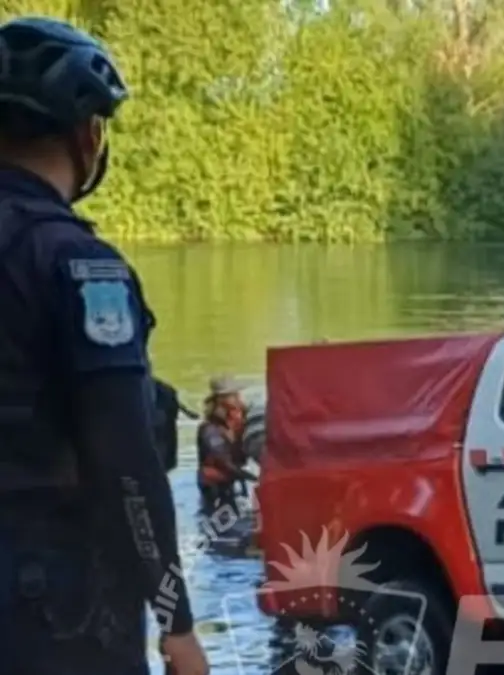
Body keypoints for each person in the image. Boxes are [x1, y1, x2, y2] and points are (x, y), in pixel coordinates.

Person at [0, 17, 207, 675]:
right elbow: (126, 463)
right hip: (57, 608)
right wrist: (177, 624)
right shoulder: (80, 268)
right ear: (88, 135)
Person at [197, 375, 257, 516]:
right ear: (221, 399)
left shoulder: (239, 419)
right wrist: (255, 478)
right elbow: (224, 463)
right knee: (219, 516)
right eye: (233, 395)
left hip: (235, 478)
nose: (238, 398)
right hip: (216, 485)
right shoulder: (210, 430)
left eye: (237, 394)